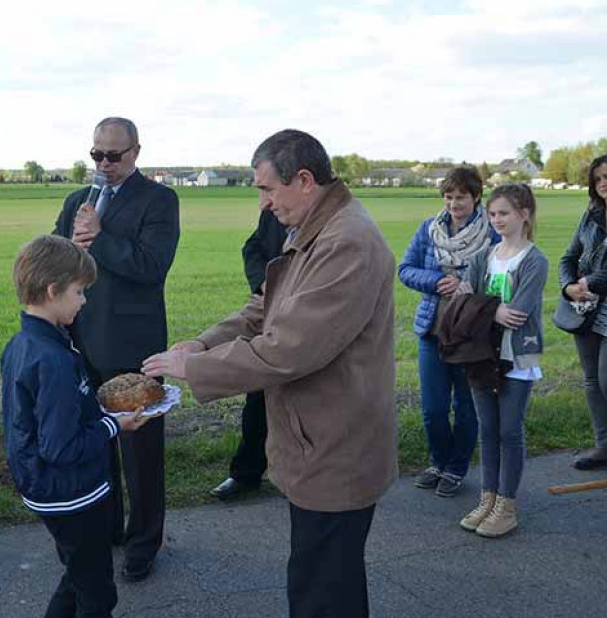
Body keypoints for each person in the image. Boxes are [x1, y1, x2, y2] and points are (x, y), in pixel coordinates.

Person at [143, 129, 397, 618]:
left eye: (266, 189)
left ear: (304, 180)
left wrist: (192, 367)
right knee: (322, 577)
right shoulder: (317, 226)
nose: (263, 203)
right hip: (318, 440)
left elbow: (288, 349)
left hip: (336, 445)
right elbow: (266, 306)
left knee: (323, 589)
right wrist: (204, 342)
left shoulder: (347, 242)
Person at [53, 117, 180, 583]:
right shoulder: (76, 201)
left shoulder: (159, 200)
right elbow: (59, 260)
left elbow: (151, 265)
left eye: (114, 155)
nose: (104, 164)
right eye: (97, 155)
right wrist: (72, 243)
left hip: (134, 345)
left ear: (136, 152)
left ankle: (144, 543)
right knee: (95, 445)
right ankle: (107, 529)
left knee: (140, 453)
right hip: (82, 338)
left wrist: (101, 237)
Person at [1, 235, 154, 618]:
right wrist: (115, 426)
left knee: (78, 575)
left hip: (44, 487)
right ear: (53, 291)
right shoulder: (53, 360)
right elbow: (61, 447)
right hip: (71, 494)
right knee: (98, 595)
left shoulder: (21, 344)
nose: (85, 300)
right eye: (80, 292)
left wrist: (96, 410)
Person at [455, 184, 547, 538]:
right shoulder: (483, 257)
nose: (497, 220)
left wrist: (482, 307)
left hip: (517, 355)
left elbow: (518, 314)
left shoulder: (534, 260)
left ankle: (506, 505)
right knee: (487, 430)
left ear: (525, 214)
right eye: (492, 214)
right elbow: (464, 303)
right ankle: (487, 499)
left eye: (504, 213)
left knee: (509, 431)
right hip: (481, 355)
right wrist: (490, 310)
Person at [398, 166, 496, 498]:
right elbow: (405, 269)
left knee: (466, 407)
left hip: (471, 333)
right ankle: (437, 462)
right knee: (434, 408)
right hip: (433, 331)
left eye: (462, 197)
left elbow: (502, 278)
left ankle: (456, 468)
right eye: (449, 196)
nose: (454, 204)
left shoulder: (491, 233)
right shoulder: (429, 229)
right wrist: (435, 281)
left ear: (476, 197)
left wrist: (468, 285)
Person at [209, 209, 286, 501]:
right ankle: (246, 474)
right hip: (269, 317)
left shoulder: (335, 226)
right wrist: (263, 281)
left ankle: (301, 477)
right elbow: (252, 247)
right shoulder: (274, 213)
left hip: (310, 327)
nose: (268, 197)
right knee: (258, 401)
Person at [559, 155, 607, 470]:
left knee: (606, 380)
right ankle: (603, 446)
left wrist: (588, 280)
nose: (603, 183)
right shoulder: (590, 215)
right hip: (585, 309)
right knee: (591, 380)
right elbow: (568, 256)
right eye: (598, 178)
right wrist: (567, 287)